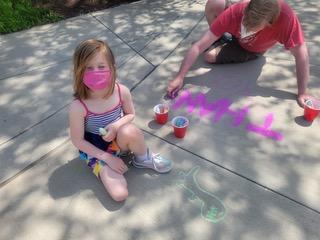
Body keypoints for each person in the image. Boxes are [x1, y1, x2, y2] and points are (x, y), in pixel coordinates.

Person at [69, 39, 172, 202]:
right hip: (96, 152)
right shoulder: (78, 107)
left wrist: (116, 126)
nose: (96, 72)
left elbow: (130, 114)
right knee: (119, 194)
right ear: (79, 72)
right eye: (89, 68)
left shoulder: (121, 91)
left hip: (119, 141)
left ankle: (143, 158)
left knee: (130, 130)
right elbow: (78, 141)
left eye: (101, 66)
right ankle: (107, 167)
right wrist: (107, 158)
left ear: (112, 68)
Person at [167, 0, 312, 107]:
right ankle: (220, 37)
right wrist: (180, 76)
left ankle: (220, 39)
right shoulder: (237, 11)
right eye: (245, 23)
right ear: (247, 8)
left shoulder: (286, 19)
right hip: (234, 35)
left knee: (210, 56)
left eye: (252, 29)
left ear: (270, 22)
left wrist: (302, 92)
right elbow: (198, 47)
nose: (245, 30)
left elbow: (301, 55)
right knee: (215, 3)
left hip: (252, 49)